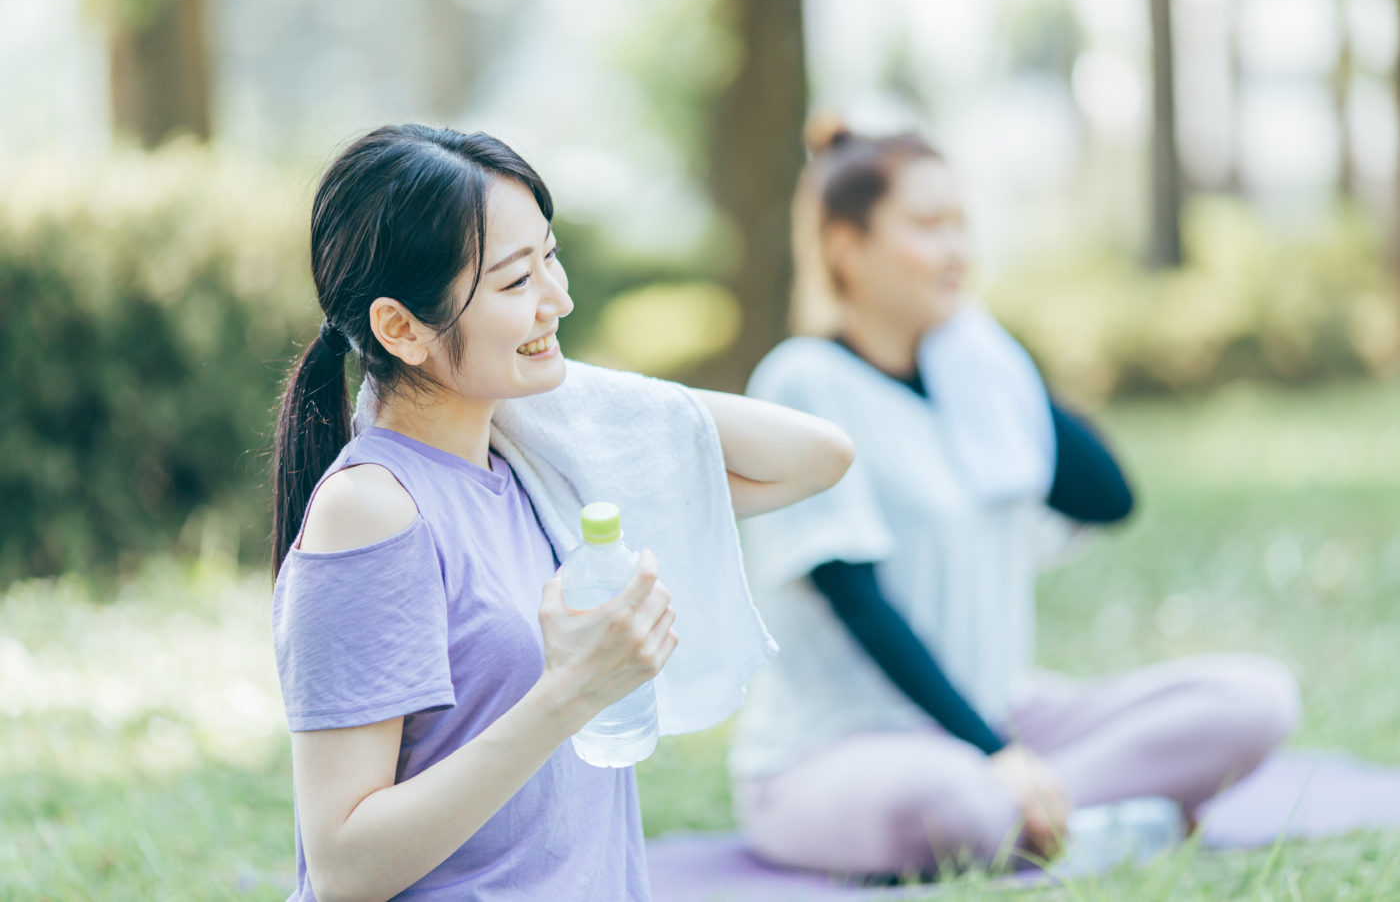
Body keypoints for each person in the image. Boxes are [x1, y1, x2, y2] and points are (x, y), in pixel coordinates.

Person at [269, 124, 853, 902]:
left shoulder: (538, 471)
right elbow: (344, 864)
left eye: (551, 255)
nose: (561, 297)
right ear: (400, 327)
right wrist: (570, 693)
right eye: (516, 282)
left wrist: (558, 380)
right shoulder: (370, 509)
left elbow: (816, 455)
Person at [727, 118, 1301, 877]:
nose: (959, 249)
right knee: (949, 806)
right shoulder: (804, 381)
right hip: (837, 751)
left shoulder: (973, 375)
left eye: (963, 224)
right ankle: (1087, 816)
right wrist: (996, 754)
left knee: (1256, 700)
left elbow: (1107, 496)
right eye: (930, 226)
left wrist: (988, 348)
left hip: (1000, 720)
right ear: (847, 247)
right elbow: (857, 601)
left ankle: (1044, 811)